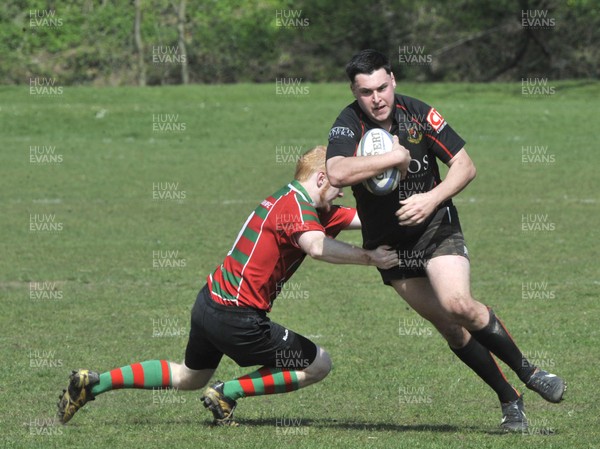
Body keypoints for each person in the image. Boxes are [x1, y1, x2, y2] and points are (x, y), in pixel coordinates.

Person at [57, 145, 398, 426]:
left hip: (208, 303)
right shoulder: (294, 209)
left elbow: (365, 220)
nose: (344, 190)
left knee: (189, 377)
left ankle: (93, 383)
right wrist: (371, 257)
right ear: (321, 177)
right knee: (318, 363)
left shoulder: (305, 204)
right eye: (340, 182)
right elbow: (317, 247)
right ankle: (227, 392)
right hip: (238, 317)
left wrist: (415, 203)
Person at [325, 49, 566, 432]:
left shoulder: (419, 113)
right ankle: (510, 401)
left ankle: (529, 372)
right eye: (366, 92)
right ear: (355, 94)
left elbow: (465, 166)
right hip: (390, 248)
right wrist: (393, 158)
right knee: (450, 328)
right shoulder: (347, 124)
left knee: (457, 304)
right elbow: (336, 171)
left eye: (382, 87)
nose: (377, 98)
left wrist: (431, 198)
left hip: (437, 226)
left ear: (394, 80)